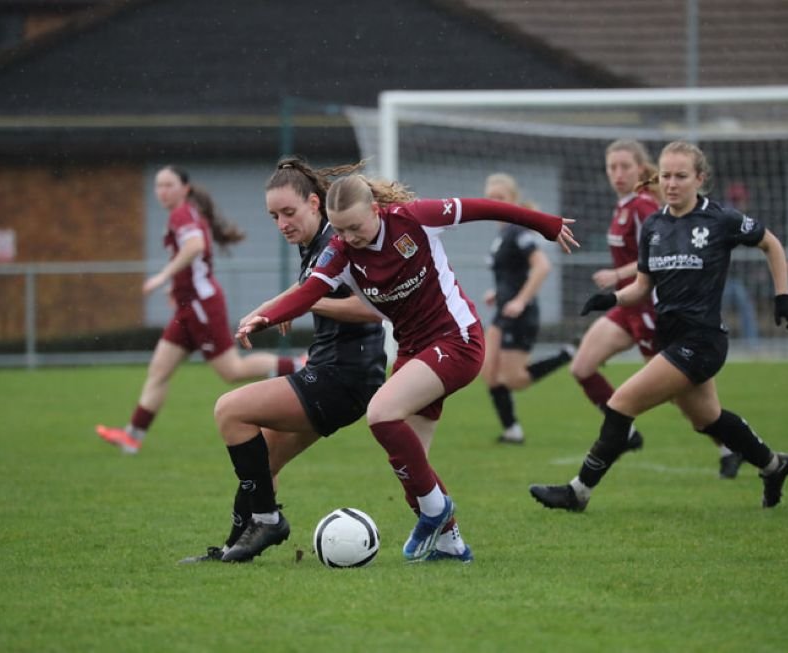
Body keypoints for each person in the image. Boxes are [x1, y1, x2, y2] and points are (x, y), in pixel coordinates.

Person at [235, 167, 578, 563]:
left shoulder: (415, 219)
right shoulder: (340, 252)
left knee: (381, 412)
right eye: (339, 230)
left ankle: (438, 511)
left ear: (376, 210)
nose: (347, 238)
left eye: (354, 228)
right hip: (414, 351)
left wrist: (546, 224)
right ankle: (451, 545)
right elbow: (310, 291)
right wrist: (266, 316)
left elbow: (483, 208)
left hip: (458, 340)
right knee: (412, 467)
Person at [530, 140, 788, 513]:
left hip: (702, 341)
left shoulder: (720, 219)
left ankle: (578, 492)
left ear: (700, 178)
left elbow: (771, 243)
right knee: (708, 419)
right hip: (669, 336)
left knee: (621, 403)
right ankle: (774, 465)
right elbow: (643, 286)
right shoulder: (654, 225)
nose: (672, 183)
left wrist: (782, 296)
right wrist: (613, 299)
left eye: (681, 176)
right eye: (667, 176)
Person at [181, 156, 388, 563]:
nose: (282, 224)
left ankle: (269, 521)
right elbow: (315, 295)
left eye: (289, 212)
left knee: (230, 412)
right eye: (274, 216)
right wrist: (275, 311)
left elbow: (375, 308)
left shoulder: (336, 242)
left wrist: (307, 306)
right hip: (338, 376)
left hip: (342, 377)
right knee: (261, 467)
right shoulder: (316, 244)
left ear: (315, 203)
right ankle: (231, 550)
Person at [96, 165, 304, 454]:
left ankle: (298, 365)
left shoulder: (183, 214)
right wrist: (174, 287)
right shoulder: (182, 214)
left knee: (233, 370)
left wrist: (162, 277)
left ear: (185, 189)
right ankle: (133, 436)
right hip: (187, 308)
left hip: (201, 306)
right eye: (158, 186)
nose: (162, 191)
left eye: (168, 185)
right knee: (159, 370)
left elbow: (194, 247)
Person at [571, 139, 743, 478]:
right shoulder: (622, 206)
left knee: (682, 397)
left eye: (625, 167)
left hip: (651, 308)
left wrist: (616, 275)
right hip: (627, 307)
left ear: (641, 169)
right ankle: (626, 434)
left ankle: (728, 446)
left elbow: (659, 255)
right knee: (582, 367)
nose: (618, 173)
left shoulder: (643, 207)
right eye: (612, 167)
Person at [480, 173, 575, 444]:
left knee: (513, 379)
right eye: (490, 198)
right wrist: (497, 293)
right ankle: (512, 431)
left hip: (520, 315)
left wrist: (520, 300)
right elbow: (511, 275)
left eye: (501, 198)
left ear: (513, 201)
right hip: (502, 312)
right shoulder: (501, 234)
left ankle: (564, 356)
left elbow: (542, 266)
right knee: (489, 373)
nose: (495, 203)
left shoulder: (518, 230)